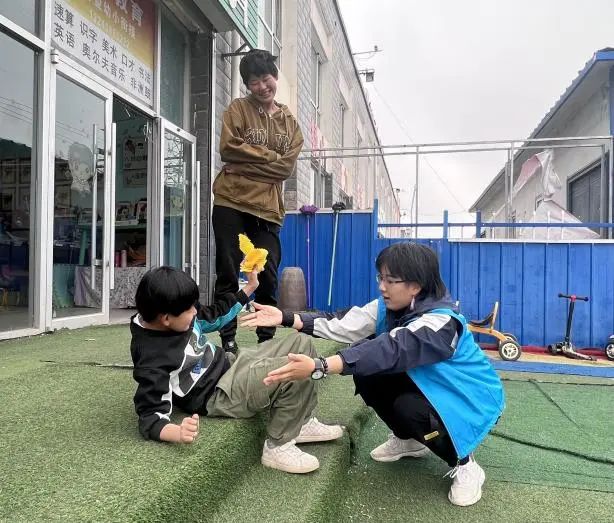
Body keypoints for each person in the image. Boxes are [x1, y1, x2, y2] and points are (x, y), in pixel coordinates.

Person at [240, 242, 505, 505]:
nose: (382, 286)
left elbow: (390, 349)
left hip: (469, 398)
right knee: (369, 376)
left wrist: (321, 366)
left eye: (390, 280)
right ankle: (408, 441)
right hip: (430, 385)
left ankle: (465, 463)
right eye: (381, 278)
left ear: (416, 285)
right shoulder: (387, 306)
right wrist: (286, 318)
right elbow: (343, 323)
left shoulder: (440, 321)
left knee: (410, 408)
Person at [130, 266, 342, 474]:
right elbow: (150, 416)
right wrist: (177, 432)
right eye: (189, 309)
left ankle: (301, 422)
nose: (195, 312)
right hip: (219, 393)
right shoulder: (153, 360)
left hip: (230, 363)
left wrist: (250, 287)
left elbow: (217, 315)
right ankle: (278, 447)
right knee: (293, 370)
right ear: (166, 319)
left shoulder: (176, 311)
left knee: (302, 343)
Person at [212, 49, 304, 353]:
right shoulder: (238, 109)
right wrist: (270, 158)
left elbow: (286, 169)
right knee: (228, 271)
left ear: (275, 76)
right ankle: (228, 339)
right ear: (247, 85)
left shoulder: (291, 124)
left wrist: (244, 166)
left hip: (268, 209)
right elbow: (228, 149)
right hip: (231, 201)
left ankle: (266, 341)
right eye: (254, 82)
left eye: (266, 78)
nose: (262, 86)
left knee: (267, 274)